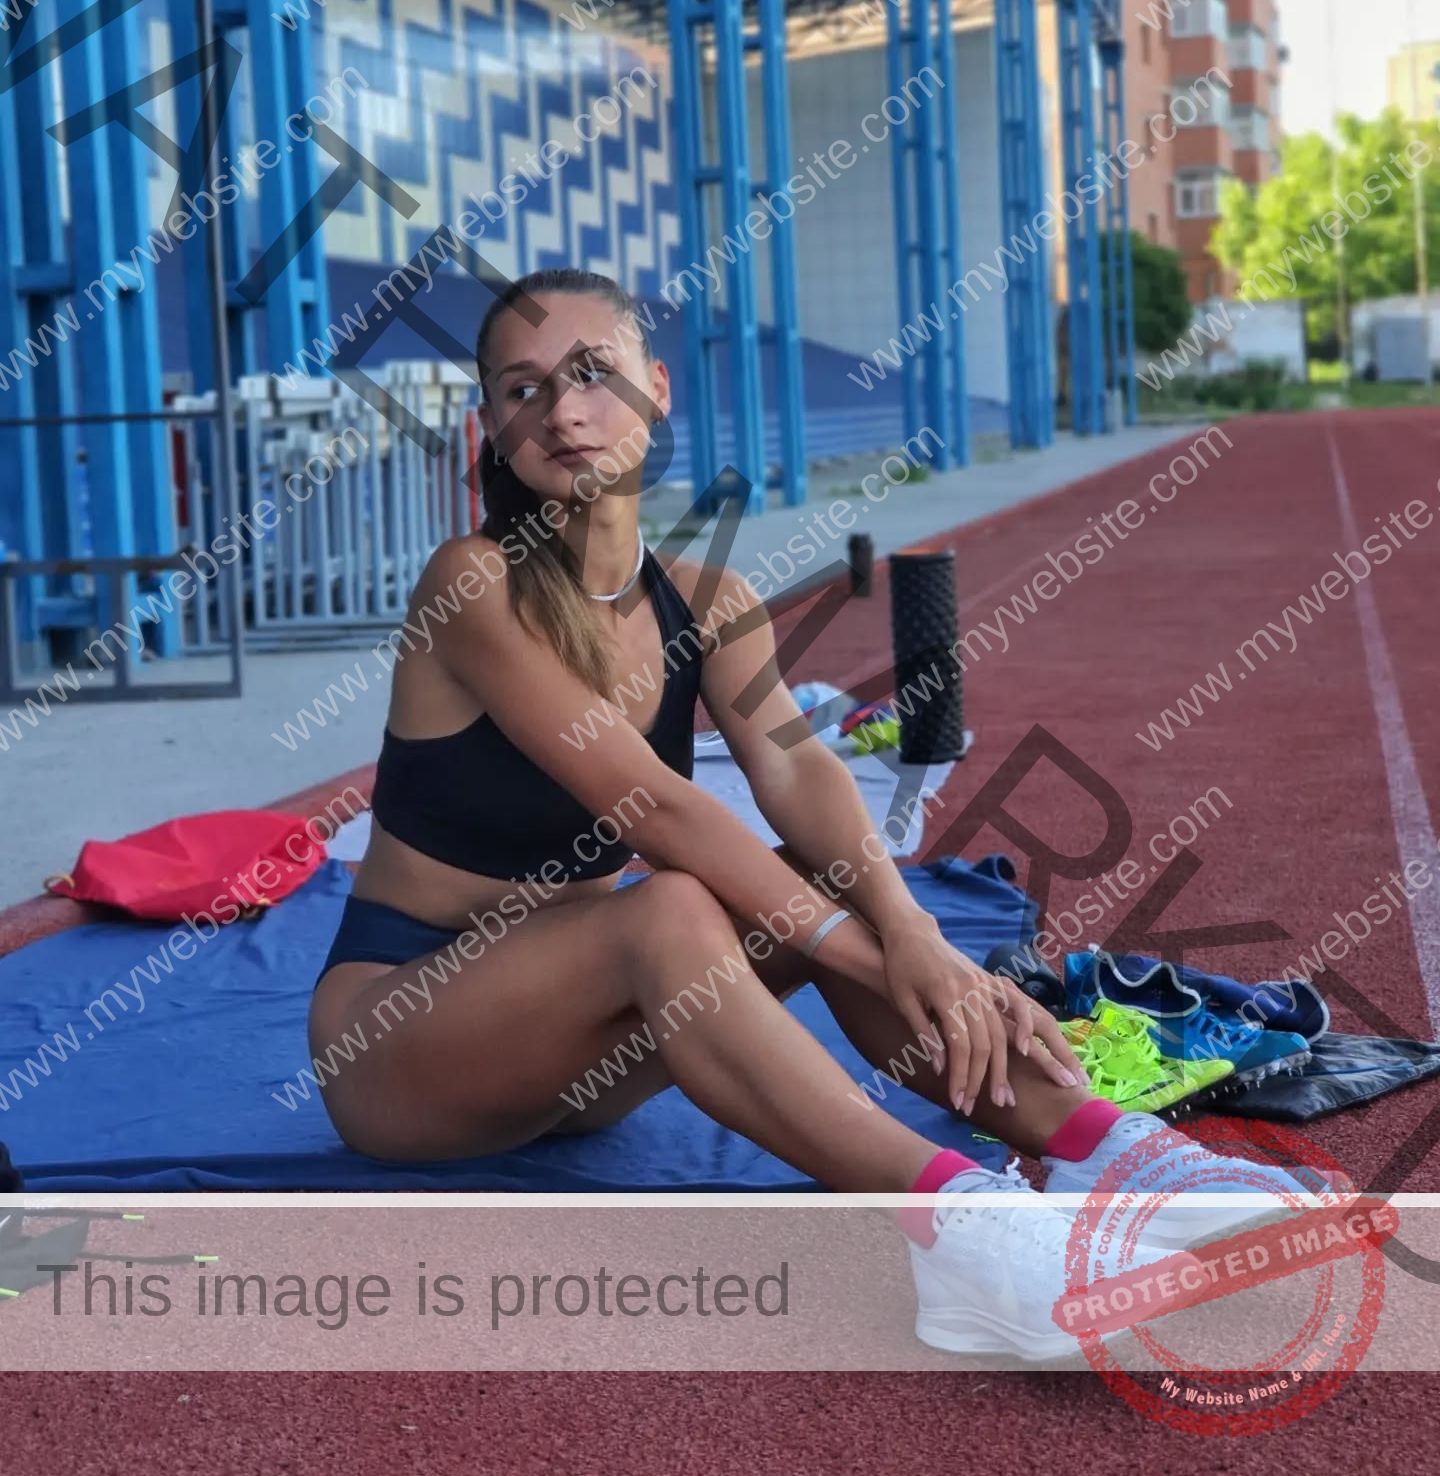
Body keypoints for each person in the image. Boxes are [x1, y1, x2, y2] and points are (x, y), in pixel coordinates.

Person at [309, 267, 1307, 1361]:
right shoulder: (472, 584)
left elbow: (802, 777)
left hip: (575, 1057)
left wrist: (915, 933)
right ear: (495, 428)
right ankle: (965, 1229)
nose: (562, 411)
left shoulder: (708, 601)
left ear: (655, 388)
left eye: (592, 372)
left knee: (831, 874)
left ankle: (1104, 1152)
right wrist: (890, 966)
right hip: (404, 1050)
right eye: (523, 389)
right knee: (675, 906)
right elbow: (659, 809)